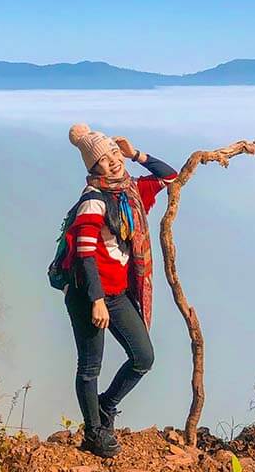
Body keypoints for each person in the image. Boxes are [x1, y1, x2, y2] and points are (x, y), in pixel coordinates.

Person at [61, 122, 178, 458]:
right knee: (90, 366)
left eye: (113, 154)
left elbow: (171, 178)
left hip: (117, 294)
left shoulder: (129, 194)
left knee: (143, 357)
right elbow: (84, 254)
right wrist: (96, 300)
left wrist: (136, 153)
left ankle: (105, 406)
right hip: (88, 294)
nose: (112, 162)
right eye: (103, 159)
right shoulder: (94, 200)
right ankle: (93, 432)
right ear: (92, 167)